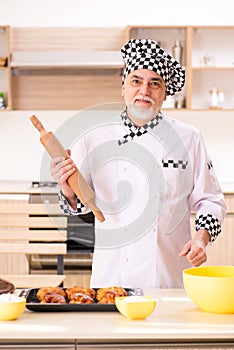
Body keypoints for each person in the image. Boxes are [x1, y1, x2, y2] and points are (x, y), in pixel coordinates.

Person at [50, 39, 226, 289]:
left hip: (168, 277)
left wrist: (202, 237)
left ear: (165, 93)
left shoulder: (189, 138)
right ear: (123, 87)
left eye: (154, 83)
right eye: (136, 81)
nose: (144, 91)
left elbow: (211, 200)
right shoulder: (94, 137)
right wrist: (67, 190)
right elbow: (80, 205)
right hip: (111, 277)